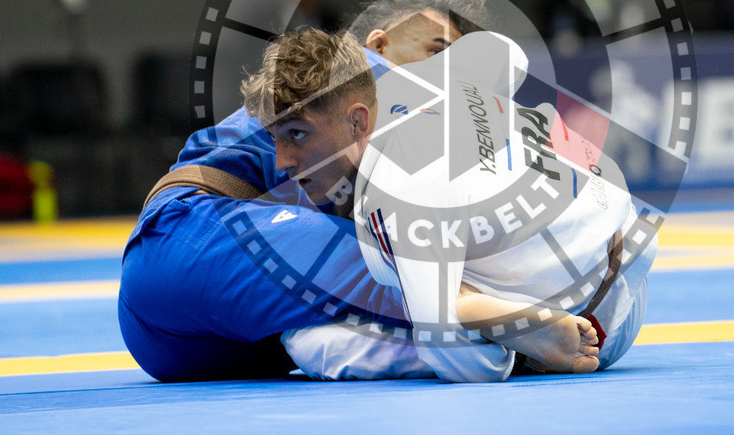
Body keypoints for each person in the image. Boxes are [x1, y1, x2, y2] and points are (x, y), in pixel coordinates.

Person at [118, 0, 489, 382]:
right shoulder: (368, 76)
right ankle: (524, 334)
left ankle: (509, 341)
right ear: (380, 44)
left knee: (333, 337)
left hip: (188, 342)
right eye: (436, 52)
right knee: (425, 278)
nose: (445, 74)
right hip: (186, 236)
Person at [249, 29, 654, 382]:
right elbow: (508, 53)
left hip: (596, 330)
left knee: (308, 342)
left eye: (297, 135)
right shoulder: (415, 77)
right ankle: (465, 295)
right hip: (620, 218)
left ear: (357, 121)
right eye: (274, 138)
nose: (282, 162)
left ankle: (501, 327)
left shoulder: (395, 190)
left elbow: (462, 361)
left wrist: (505, 350)